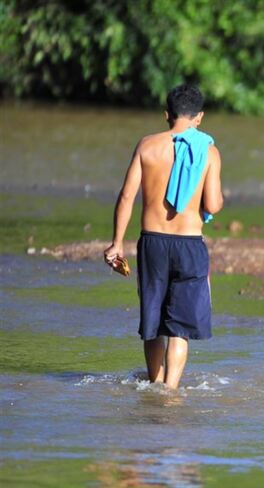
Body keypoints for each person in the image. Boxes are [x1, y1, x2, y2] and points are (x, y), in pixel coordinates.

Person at [104, 84, 223, 389]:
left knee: (153, 323)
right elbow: (212, 205)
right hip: (189, 244)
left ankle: (153, 387)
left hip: (152, 242)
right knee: (179, 328)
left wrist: (117, 243)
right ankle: (169, 393)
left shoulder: (147, 146)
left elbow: (126, 196)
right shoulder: (208, 152)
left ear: (166, 114)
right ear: (199, 117)